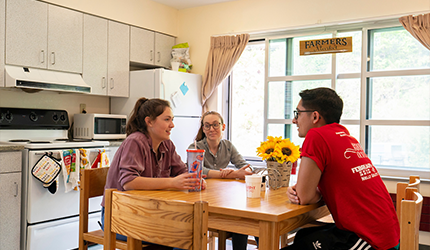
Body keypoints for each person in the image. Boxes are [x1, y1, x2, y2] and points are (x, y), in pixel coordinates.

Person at [284, 88, 399, 250]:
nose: (294, 120)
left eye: (298, 113)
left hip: (371, 241)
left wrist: (304, 191)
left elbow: (304, 197)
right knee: (303, 236)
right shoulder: (345, 136)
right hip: (388, 235)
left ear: (315, 116)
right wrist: (309, 191)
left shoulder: (316, 136)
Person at [101, 97, 204, 249]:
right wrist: (172, 182)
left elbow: (182, 170)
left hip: (148, 211)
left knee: (190, 230)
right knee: (183, 234)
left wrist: (195, 179)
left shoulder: (167, 144)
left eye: (172, 119)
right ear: (149, 122)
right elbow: (128, 182)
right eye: (167, 119)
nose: (172, 125)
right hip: (118, 215)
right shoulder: (135, 141)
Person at [188, 111, 255, 250]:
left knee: (244, 219)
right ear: (203, 128)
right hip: (201, 201)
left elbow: (247, 168)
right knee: (239, 220)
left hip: (223, 200)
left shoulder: (228, 146)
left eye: (215, 125)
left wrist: (237, 172)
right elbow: (199, 171)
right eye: (207, 126)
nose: (211, 129)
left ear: (223, 126)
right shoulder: (194, 147)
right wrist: (228, 174)